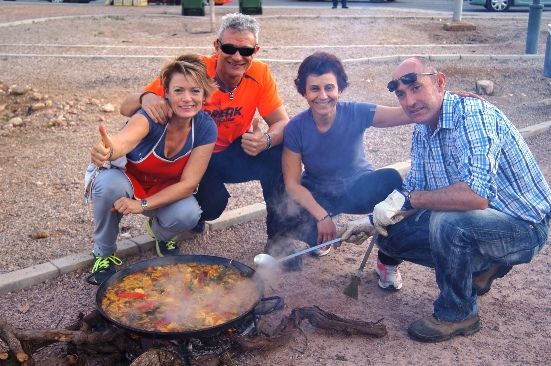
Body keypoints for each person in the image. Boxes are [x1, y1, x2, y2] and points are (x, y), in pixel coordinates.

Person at [341, 56, 551, 342]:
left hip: (524, 226)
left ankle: (459, 313)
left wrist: (413, 199)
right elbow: (414, 185)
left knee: (448, 221)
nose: (409, 100)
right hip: (483, 222)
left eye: (416, 88)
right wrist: (371, 220)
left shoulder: (474, 117)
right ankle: (482, 265)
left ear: (440, 82)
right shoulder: (422, 131)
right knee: (391, 238)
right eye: (401, 94)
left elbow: (476, 196)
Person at [119, 13, 290, 253]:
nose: (237, 56)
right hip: (192, 156)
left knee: (280, 152)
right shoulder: (195, 70)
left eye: (246, 51)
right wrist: (146, 96)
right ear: (217, 46)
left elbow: (283, 123)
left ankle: (280, 241)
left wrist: (265, 140)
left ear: (256, 50)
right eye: (229, 48)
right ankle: (169, 223)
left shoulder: (260, 74)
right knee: (212, 206)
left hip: (231, 151)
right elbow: (125, 107)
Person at [86, 54, 218, 284]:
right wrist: (108, 149)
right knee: (107, 185)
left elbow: (188, 183)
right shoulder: (152, 115)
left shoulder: (206, 127)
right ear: (165, 92)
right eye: (179, 91)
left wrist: (141, 205)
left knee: (189, 214)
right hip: (128, 180)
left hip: (162, 189)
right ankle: (103, 253)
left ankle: (160, 234)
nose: (187, 98)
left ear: (205, 95)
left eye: (195, 91)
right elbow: (124, 140)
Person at [279, 52, 412, 272]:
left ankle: (388, 261)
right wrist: (321, 216)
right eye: (314, 89)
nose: (323, 95)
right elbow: (292, 184)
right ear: (303, 91)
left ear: (339, 89)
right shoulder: (295, 128)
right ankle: (321, 236)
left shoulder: (356, 112)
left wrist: (444, 99)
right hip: (321, 191)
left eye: (329, 87)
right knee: (288, 214)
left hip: (358, 187)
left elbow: (404, 114)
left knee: (391, 183)